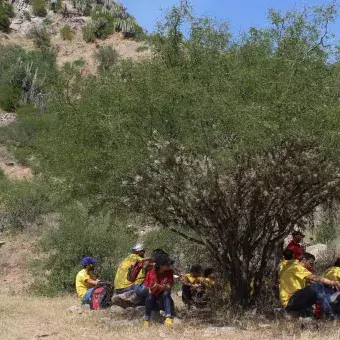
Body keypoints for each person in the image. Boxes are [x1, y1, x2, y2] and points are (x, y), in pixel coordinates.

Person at [279, 251, 340, 319]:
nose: (311, 266)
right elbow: (316, 279)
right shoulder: (296, 267)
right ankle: (329, 313)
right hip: (290, 301)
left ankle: (326, 312)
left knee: (320, 288)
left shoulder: (296, 269)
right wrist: (334, 283)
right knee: (318, 286)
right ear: (304, 260)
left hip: (295, 300)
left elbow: (313, 284)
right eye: (311, 263)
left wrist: (329, 285)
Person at [143, 254, 175, 327]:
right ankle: (146, 319)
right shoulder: (150, 273)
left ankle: (168, 317)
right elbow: (150, 291)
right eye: (167, 264)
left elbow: (168, 288)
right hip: (153, 296)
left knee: (166, 293)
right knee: (150, 296)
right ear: (161, 266)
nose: (169, 266)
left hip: (163, 297)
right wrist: (154, 288)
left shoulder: (169, 272)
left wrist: (158, 286)